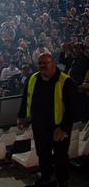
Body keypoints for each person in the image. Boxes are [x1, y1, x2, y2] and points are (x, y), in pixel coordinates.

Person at [17, 54, 77, 187]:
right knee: (43, 154)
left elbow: (73, 108)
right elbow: (26, 98)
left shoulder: (66, 82)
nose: (43, 66)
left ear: (54, 63)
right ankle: (46, 178)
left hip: (58, 128)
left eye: (46, 62)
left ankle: (62, 181)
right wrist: (21, 116)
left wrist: (63, 128)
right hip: (39, 125)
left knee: (61, 156)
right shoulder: (33, 78)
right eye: (40, 63)